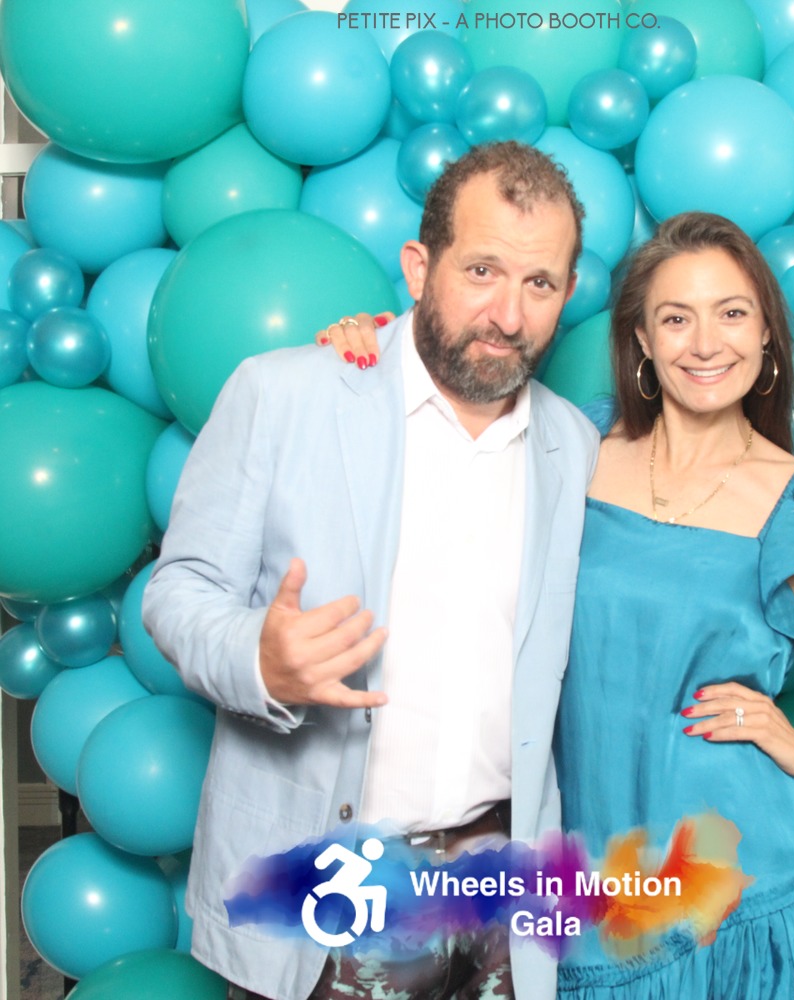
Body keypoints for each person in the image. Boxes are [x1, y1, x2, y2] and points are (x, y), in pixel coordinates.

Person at [324, 212, 794, 999]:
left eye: (732, 313)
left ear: (767, 334)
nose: (706, 343)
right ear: (642, 340)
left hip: (739, 897)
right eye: (677, 318)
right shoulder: (573, 444)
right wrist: (377, 354)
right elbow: (433, 451)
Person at [142, 141, 599, 1000]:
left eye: (538, 283)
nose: (507, 314)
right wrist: (258, 658)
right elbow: (178, 590)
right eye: (481, 271)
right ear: (419, 268)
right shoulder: (284, 395)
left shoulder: (572, 445)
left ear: (568, 293)